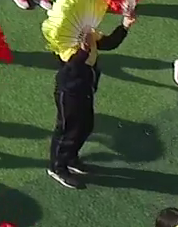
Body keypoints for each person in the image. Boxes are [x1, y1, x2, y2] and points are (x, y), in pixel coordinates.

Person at [48, 10, 133, 189]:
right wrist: (83, 51)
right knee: (67, 131)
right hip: (69, 93)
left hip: (86, 89)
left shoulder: (88, 31)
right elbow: (71, 68)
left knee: (86, 126)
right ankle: (57, 167)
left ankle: (71, 157)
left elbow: (108, 43)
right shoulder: (65, 41)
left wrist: (124, 25)